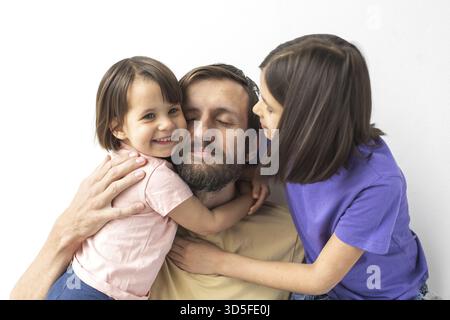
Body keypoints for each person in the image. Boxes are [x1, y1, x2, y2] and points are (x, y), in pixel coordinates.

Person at [168, 34, 430, 300]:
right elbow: (229, 154)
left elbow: (319, 279)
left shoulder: (378, 185)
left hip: (381, 294)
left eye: (269, 108)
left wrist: (218, 262)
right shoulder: (286, 139)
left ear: (308, 123)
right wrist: (259, 172)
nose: (257, 110)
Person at [10, 63, 302, 300]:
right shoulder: (121, 219)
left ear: (253, 141)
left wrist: (257, 171)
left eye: (225, 122)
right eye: (188, 117)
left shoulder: (290, 234)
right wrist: (64, 233)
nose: (202, 133)